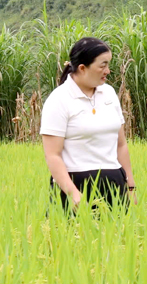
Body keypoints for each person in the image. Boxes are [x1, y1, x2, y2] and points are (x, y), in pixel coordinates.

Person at [41, 37, 137, 211]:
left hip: (114, 184)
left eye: (108, 64)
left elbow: (121, 144)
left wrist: (130, 185)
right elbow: (52, 155)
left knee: (120, 237)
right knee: (74, 237)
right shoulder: (59, 99)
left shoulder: (108, 93)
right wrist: (74, 195)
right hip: (76, 185)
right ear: (82, 68)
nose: (107, 71)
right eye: (102, 65)